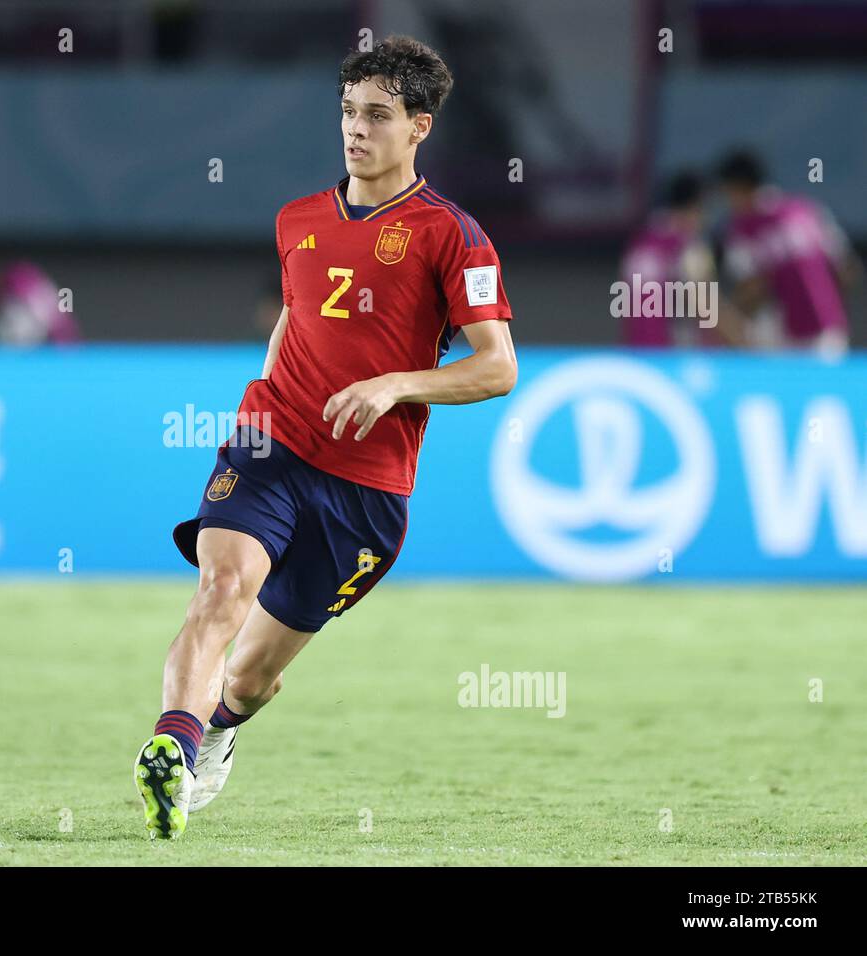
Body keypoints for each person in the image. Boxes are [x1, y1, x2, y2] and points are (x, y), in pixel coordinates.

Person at [134, 35, 518, 839]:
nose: (355, 129)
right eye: (348, 111)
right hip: (270, 445)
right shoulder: (296, 219)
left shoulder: (454, 234)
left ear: (419, 127)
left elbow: (497, 368)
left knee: (255, 673)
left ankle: (220, 731)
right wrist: (266, 399)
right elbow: (294, 322)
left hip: (367, 490)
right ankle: (170, 744)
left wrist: (397, 384)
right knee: (221, 591)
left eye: (377, 116)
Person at [717, 150, 859, 358]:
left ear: (737, 187)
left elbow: (753, 287)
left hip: (784, 338)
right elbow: (847, 269)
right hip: (829, 330)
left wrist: (723, 318)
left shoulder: (742, 230)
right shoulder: (806, 210)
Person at [619, 171, 742, 348]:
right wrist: (747, 345)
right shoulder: (686, 246)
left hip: (638, 355)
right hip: (671, 357)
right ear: (696, 206)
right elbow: (706, 308)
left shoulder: (640, 244)